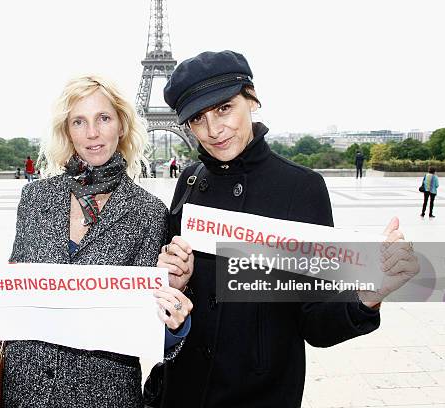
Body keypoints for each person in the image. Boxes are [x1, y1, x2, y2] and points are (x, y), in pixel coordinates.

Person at [154, 50, 419, 408]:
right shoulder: (188, 180)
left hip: (259, 395)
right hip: (183, 390)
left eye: (224, 108)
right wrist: (175, 282)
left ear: (252, 99)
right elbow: (174, 303)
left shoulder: (301, 188)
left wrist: (367, 297)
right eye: (198, 119)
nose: (213, 130)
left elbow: (316, 322)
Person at [0, 75, 192, 408]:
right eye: (79, 122)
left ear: (122, 126)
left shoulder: (149, 213)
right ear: (67, 131)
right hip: (26, 390)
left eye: (103, 118)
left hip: (105, 396)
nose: (92, 133)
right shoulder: (35, 197)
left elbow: (147, 321)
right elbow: (24, 287)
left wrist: (174, 320)